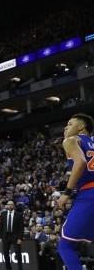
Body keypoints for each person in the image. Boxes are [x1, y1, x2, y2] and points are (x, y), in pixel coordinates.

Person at [57, 113, 94, 270]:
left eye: (70, 124)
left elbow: (80, 162)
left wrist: (67, 192)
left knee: (65, 247)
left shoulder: (71, 140)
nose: (66, 127)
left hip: (89, 193)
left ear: (81, 127)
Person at [0, 201, 24, 270]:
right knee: (5, 254)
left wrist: (20, 238)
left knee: (18, 254)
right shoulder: (3, 214)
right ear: (7, 206)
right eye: (8, 205)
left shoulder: (19, 214)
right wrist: (0, 237)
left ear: (13, 206)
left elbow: (21, 227)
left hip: (15, 236)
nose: (9, 206)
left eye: (11, 205)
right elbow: (1, 226)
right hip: (5, 236)